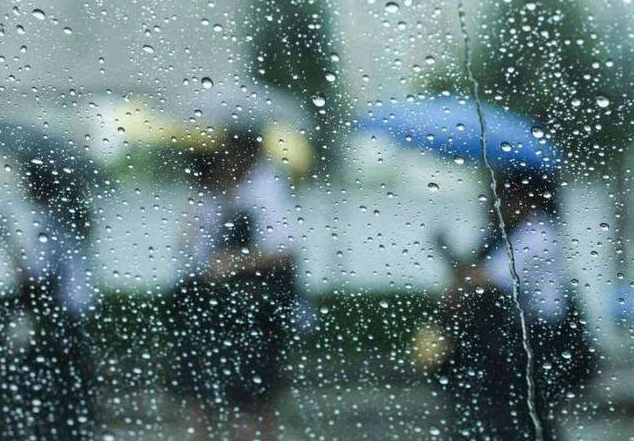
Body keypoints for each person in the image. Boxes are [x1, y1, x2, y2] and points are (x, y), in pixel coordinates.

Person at [438, 170, 597, 440]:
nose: (499, 204)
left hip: (544, 341)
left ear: (529, 199)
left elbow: (486, 278)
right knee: (524, 414)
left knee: (521, 414)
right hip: (523, 341)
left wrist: (458, 275)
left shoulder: (539, 232)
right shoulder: (510, 233)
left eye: (507, 197)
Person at [0, 121, 99, 440]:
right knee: (71, 403)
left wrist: (12, 247)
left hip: (53, 325)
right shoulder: (73, 220)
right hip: (73, 323)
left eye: (30, 178)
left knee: (46, 403)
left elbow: (36, 278)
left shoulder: (47, 224)